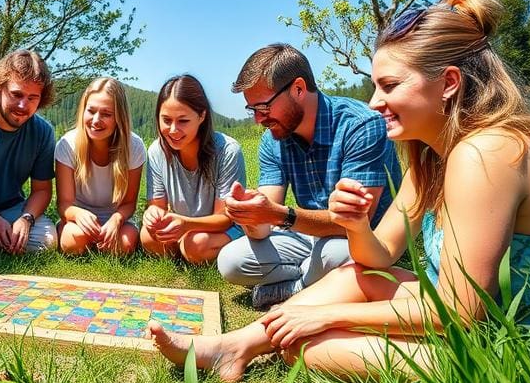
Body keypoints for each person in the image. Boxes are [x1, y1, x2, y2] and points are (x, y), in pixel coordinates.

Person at [152, 0, 530, 381]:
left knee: (302, 341)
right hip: (462, 313)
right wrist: (354, 225)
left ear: (449, 82)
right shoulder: (430, 159)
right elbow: (381, 254)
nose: (375, 102)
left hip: (508, 346)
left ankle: (282, 315)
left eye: (389, 85)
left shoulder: (484, 154)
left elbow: (461, 309)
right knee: (347, 275)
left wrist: (324, 315)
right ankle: (233, 346)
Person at [217, 43, 401, 309]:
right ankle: (310, 279)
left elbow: (354, 222)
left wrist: (280, 215)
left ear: (299, 89)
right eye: (252, 110)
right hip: (308, 235)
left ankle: (297, 289)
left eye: (263, 107)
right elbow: (264, 227)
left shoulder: (361, 125)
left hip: (362, 240)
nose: (258, 119)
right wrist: (251, 214)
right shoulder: (273, 140)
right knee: (231, 261)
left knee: (334, 254)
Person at [140, 75, 246, 264]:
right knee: (148, 237)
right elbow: (157, 206)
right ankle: (185, 250)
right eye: (166, 120)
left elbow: (224, 219)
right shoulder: (156, 150)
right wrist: (152, 214)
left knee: (196, 245)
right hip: (184, 226)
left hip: (223, 228)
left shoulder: (228, 151)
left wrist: (186, 224)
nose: (173, 130)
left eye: (183, 121)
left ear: (202, 116)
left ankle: (196, 251)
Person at [0, 50, 58, 254]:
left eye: (33, 98)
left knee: (48, 239)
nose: (23, 105)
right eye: (16, 94)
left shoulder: (43, 131)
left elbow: (42, 190)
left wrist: (27, 219)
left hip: (13, 209)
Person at [55, 77, 146, 255]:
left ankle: (100, 244)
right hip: (78, 220)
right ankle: (93, 244)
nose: (96, 120)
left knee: (125, 244)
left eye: (106, 114)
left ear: (119, 117)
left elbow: (129, 203)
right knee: (73, 241)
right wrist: (77, 215)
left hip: (117, 219)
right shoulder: (67, 144)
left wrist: (116, 220)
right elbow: (64, 204)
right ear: (83, 111)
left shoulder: (134, 146)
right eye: (91, 111)